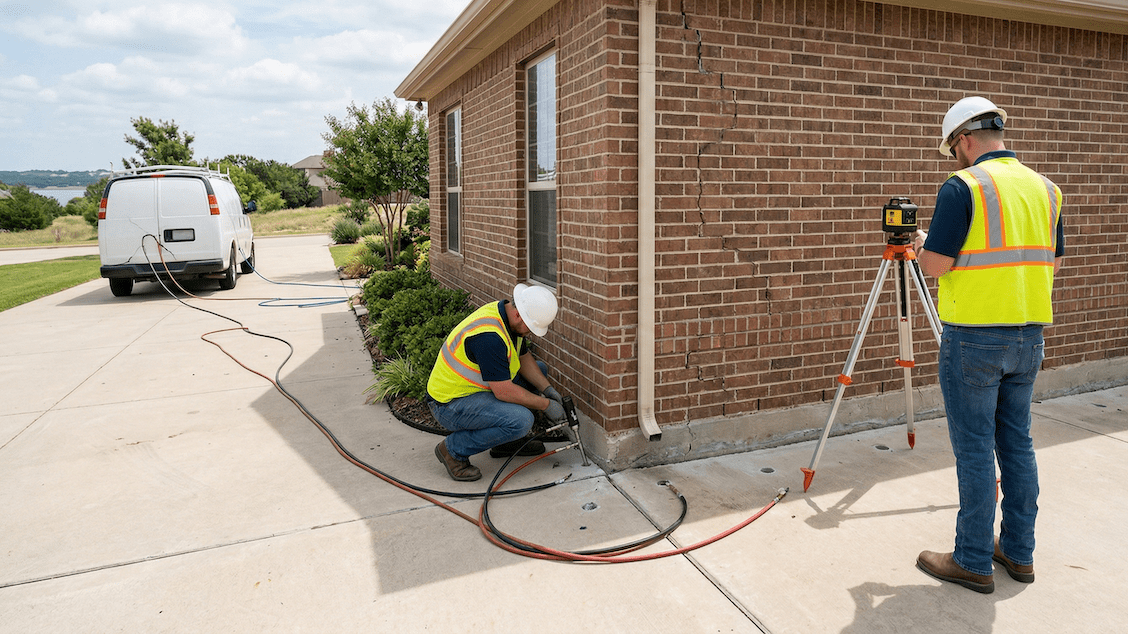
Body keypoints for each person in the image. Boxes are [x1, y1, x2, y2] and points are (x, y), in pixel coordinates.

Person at [913, 96, 1064, 594]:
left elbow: (935, 265)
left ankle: (973, 559)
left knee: (975, 449)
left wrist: (918, 246)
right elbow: (1050, 264)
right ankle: (1018, 553)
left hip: (974, 338)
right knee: (1017, 443)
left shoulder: (963, 186)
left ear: (963, 140)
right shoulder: (1047, 189)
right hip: (1029, 336)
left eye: (951, 146)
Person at [426, 283, 568, 481]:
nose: (532, 332)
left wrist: (548, 389)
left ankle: (505, 443)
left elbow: (523, 357)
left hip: (475, 390)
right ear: (519, 315)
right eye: (532, 327)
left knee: (540, 373)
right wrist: (546, 405)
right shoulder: (489, 337)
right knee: (521, 420)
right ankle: (452, 450)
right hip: (450, 404)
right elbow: (503, 392)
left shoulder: (507, 317)